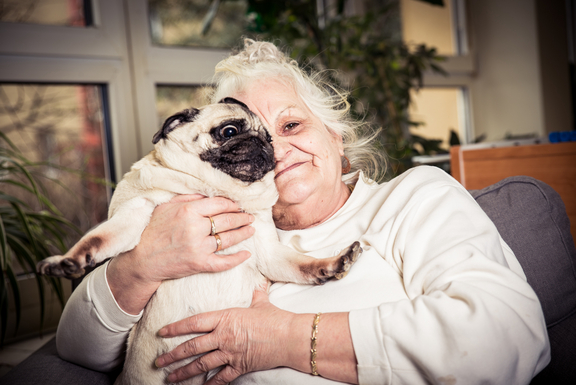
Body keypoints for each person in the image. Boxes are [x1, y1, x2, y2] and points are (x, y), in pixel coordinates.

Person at [56, 39, 550, 385]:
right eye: (248, 133)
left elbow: (509, 338)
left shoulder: (415, 198)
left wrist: (281, 338)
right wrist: (142, 264)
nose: (276, 148)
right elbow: (78, 351)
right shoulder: (200, 222)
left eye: (292, 124)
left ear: (335, 135)